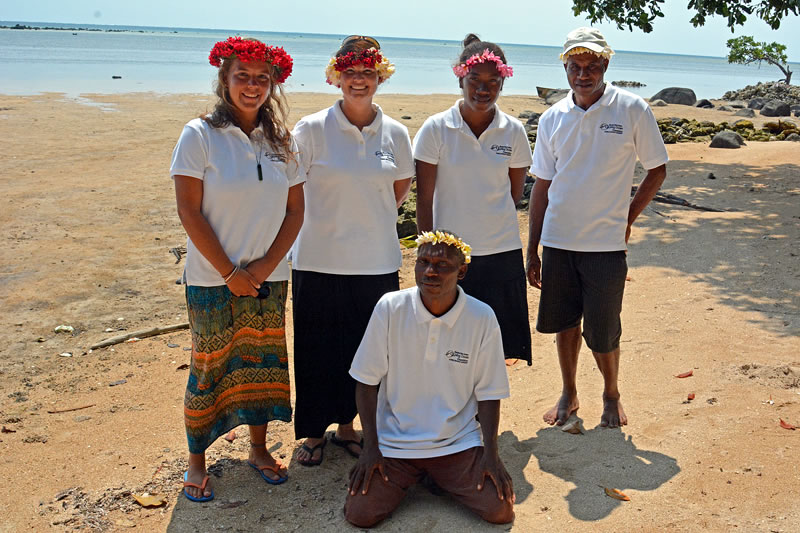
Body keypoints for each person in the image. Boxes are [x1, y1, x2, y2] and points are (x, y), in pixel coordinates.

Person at [170, 37, 304, 501]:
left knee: (263, 364)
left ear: (273, 84)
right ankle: (195, 460)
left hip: (270, 278)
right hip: (211, 277)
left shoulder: (282, 141)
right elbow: (189, 211)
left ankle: (258, 449)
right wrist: (230, 272)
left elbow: (295, 213)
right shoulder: (199, 134)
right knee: (209, 366)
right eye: (241, 76)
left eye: (261, 78)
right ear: (224, 80)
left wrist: (264, 267)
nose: (252, 86)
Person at [526, 27, 669, 428]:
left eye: (591, 66)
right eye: (575, 67)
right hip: (558, 240)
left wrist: (627, 216)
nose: (582, 75)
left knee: (604, 329)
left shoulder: (631, 109)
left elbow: (657, 169)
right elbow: (543, 184)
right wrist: (532, 248)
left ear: (605, 65)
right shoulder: (553, 117)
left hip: (605, 245)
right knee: (565, 322)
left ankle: (611, 393)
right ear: (565, 69)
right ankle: (569, 392)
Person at [290, 36, 414, 466]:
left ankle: (349, 427)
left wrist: (365, 217)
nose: (358, 80)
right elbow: (291, 191)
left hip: (376, 260)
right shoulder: (309, 129)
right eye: (350, 73)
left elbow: (398, 191)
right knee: (316, 347)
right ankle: (313, 433)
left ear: (380, 77)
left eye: (367, 73)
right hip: (317, 259)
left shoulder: (396, 132)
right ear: (335, 77)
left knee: (367, 351)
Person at [344, 230, 514, 528]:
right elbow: (366, 382)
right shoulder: (390, 308)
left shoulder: (481, 317)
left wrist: (491, 454)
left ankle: (437, 475)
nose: (430, 271)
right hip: (394, 446)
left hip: (456, 443)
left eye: (443, 265)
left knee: (500, 511)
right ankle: (426, 476)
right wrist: (371, 446)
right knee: (360, 514)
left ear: (462, 271)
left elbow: (489, 393)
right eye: (423, 262)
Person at [414, 33, 533, 365]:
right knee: (450, 347)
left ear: (502, 83)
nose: (483, 89)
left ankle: (483, 417)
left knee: (496, 350)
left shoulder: (513, 131)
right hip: (450, 256)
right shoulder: (435, 128)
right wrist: (429, 251)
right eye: (474, 80)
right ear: (460, 78)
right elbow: (424, 198)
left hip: (501, 253)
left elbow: (512, 194)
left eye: (493, 82)